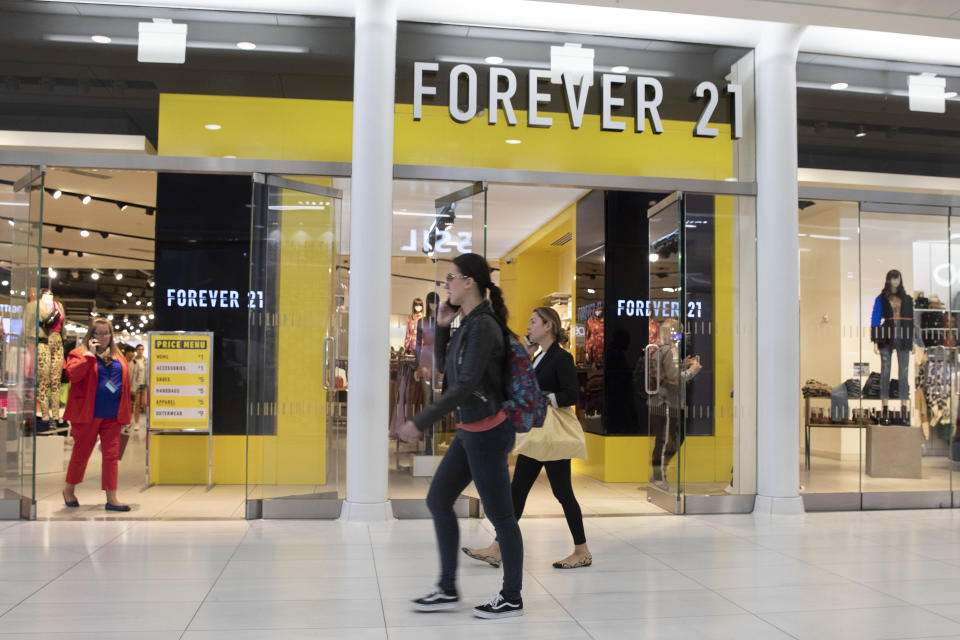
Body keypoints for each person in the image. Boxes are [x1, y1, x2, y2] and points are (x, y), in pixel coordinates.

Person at [396, 253, 524, 620]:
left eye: (451, 277)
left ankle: (512, 596)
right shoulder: (470, 322)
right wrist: (443, 328)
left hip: (487, 433)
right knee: (438, 500)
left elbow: (466, 384)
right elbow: (447, 374)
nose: (446, 283)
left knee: (502, 518)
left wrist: (420, 421)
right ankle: (448, 588)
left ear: (470, 282)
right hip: (471, 431)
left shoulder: (484, 326)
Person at [463, 306, 591, 570]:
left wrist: (543, 397)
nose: (529, 326)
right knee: (519, 491)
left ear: (549, 326)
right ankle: (498, 548)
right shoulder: (539, 356)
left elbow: (571, 396)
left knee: (561, 493)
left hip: (550, 437)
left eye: (534, 322)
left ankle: (581, 550)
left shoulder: (561, 358)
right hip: (538, 437)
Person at [61, 318, 133, 512]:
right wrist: (90, 356)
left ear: (111, 335)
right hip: (88, 414)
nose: (102, 337)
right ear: (90, 335)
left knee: (111, 456)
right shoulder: (78, 353)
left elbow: (122, 383)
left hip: (113, 415)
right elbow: (73, 376)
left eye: (106, 333)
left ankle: (112, 498)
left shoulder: (118, 356)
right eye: (98, 333)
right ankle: (69, 490)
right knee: (81, 454)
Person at [648, 318, 702, 485]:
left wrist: (683, 364)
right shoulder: (670, 350)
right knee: (668, 440)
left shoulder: (657, 349)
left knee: (663, 440)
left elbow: (666, 372)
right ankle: (659, 476)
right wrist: (692, 370)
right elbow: (675, 378)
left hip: (658, 401)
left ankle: (658, 474)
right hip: (668, 402)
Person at [131, 344, 148, 427]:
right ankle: (136, 423)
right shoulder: (133, 360)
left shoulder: (146, 360)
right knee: (137, 404)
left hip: (145, 384)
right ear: (136, 350)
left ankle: (147, 422)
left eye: (141, 349)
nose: (140, 351)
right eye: (138, 349)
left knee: (145, 403)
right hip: (136, 384)